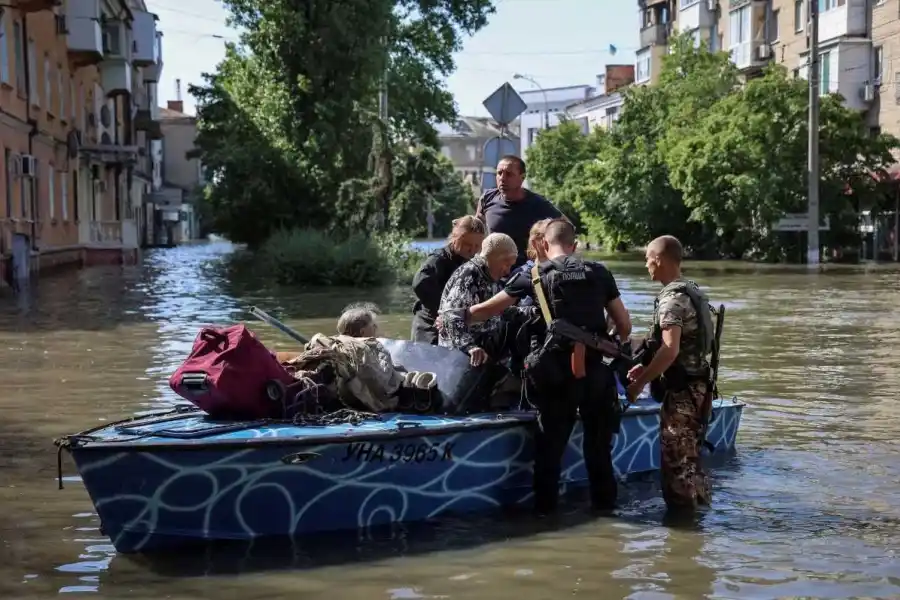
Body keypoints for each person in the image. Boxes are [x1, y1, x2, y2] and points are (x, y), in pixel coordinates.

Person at [466, 219, 632, 514]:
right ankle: (606, 516)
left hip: (555, 375)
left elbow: (486, 310)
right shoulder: (599, 272)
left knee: (549, 453)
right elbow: (625, 325)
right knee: (598, 453)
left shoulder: (534, 275)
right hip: (595, 375)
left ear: (543, 244)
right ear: (575, 245)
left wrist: (455, 315)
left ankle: (546, 519)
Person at [625, 235, 715, 513]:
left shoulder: (672, 300)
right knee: (690, 460)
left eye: (647, 258)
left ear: (659, 259)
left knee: (677, 464)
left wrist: (640, 382)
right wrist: (649, 365)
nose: (646, 264)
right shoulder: (691, 291)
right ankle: (699, 519)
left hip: (682, 394)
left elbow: (670, 349)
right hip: (698, 388)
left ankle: (683, 532)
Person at [437, 232, 518, 366]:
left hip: (484, 352)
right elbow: (450, 316)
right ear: (493, 258)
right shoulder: (469, 275)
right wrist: (470, 347)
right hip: (458, 356)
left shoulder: (493, 276)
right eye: (506, 264)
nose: (508, 271)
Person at [476, 156, 563, 268]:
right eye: (499, 173)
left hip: (525, 272)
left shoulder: (538, 203)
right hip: (493, 271)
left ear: (522, 178)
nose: (502, 178)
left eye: (509, 174)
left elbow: (565, 227)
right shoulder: (488, 198)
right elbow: (476, 228)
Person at [410, 216, 486, 344]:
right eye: (467, 244)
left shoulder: (474, 262)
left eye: (477, 246)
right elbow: (420, 283)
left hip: (455, 325)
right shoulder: (439, 259)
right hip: (429, 328)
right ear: (455, 238)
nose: (472, 250)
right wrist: (443, 312)